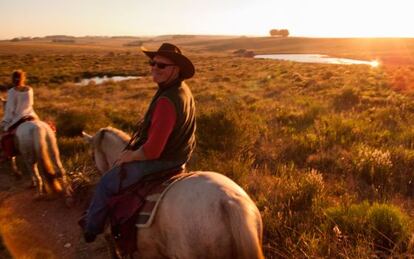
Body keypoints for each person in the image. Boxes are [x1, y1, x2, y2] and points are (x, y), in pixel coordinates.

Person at [82, 43, 196, 242]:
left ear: (176, 69)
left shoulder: (167, 100)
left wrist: (132, 155)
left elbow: (152, 151)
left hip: (163, 161)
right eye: (152, 63)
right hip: (180, 158)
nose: (154, 68)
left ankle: (91, 228)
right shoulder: (181, 90)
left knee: (107, 183)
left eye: (161, 65)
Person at [0, 70, 39, 160]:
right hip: (31, 115)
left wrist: (5, 120)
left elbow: (10, 109)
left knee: (2, 132)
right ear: (23, 78)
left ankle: (6, 154)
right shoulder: (30, 89)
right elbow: (30, 103)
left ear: (12, 79)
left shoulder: (12, 91)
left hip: (18, 118)